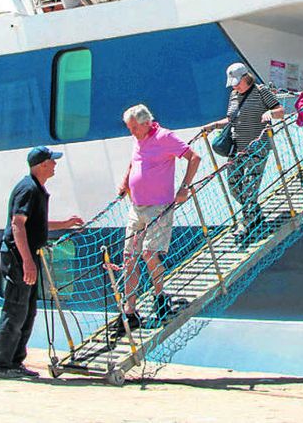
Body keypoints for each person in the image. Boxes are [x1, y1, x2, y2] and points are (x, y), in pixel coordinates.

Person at [0, 146, 84, 379]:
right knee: (15, 309)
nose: (55, 165)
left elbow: (35, 224)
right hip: (18, 257)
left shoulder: (36, 188)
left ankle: (14, 362)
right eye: (52, 161)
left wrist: (65, 224)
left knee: (28, 311)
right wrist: (27, 262)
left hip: (26, 256)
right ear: (41, 165)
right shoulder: (28, 188)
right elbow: (17, 225)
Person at [110, 104, 200, 334]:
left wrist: (184, 188)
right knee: (129, 257)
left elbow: (194, 157)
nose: (131, 132)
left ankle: (160, 297)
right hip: (136, 207)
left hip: (159, 207)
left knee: (150, 254)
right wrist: (125, 181)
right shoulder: (138, 139)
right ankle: (130, 311)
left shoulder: (165, 137)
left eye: (133, 128)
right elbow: (134, 161)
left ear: (145, 123)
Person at [200, 63, 284, 244]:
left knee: (248, 186)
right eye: (232, 83)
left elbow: (280, 111)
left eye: (237, 82)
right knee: (234, 185)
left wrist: (270, 113)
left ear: (246, 77)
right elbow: (231, 119)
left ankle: (245, 223)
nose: (234, 86)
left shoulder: (261, 91)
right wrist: (213, 125)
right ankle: (256, 214)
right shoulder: (233, 95)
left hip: (257, 146)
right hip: (236, 148)